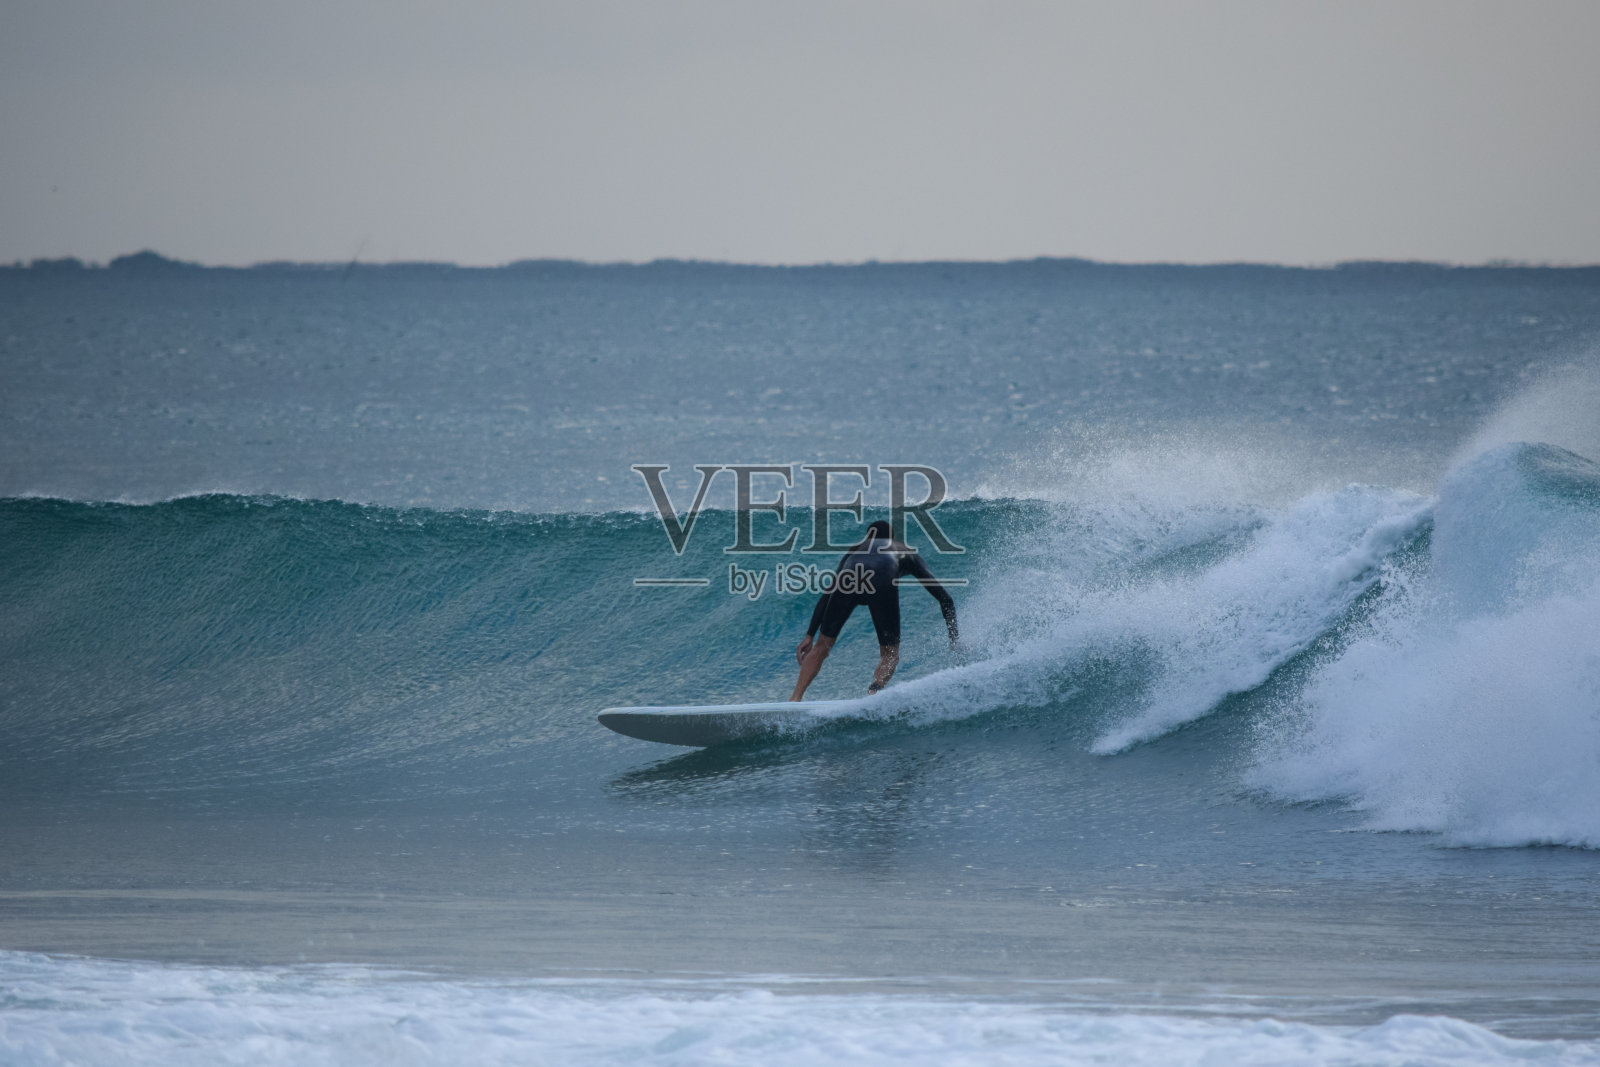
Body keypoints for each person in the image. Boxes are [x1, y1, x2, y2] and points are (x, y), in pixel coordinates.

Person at [790, 520, 959, 701]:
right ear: (892, 538)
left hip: (850, 577)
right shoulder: (905, 551)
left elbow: (828, 593)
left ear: (869, 537)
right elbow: (944, 598)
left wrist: (809, 635)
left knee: (821, 647)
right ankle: (874, 691)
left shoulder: (856, 549)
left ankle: (795, 698)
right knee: (890, 654)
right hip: (881, 578)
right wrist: (954, 639)